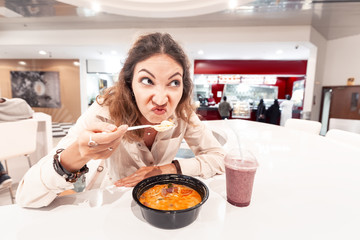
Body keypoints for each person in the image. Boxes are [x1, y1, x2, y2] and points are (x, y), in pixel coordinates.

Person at [16, 32, 226, 208]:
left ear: (184, 87)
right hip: (111, 203)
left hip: (162, 202)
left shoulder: (182, 114)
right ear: (129, 83)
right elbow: (26, 197)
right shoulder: (104, 111)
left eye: (173, 82)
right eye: (147, 80)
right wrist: (75, 156)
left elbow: (219, 158)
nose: (162, 99)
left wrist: (167, 169)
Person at [0, 97, 34, 189]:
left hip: (3, 149)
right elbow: (31, 117)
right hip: (25, 146)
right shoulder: (21, 103)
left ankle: (2, 175)